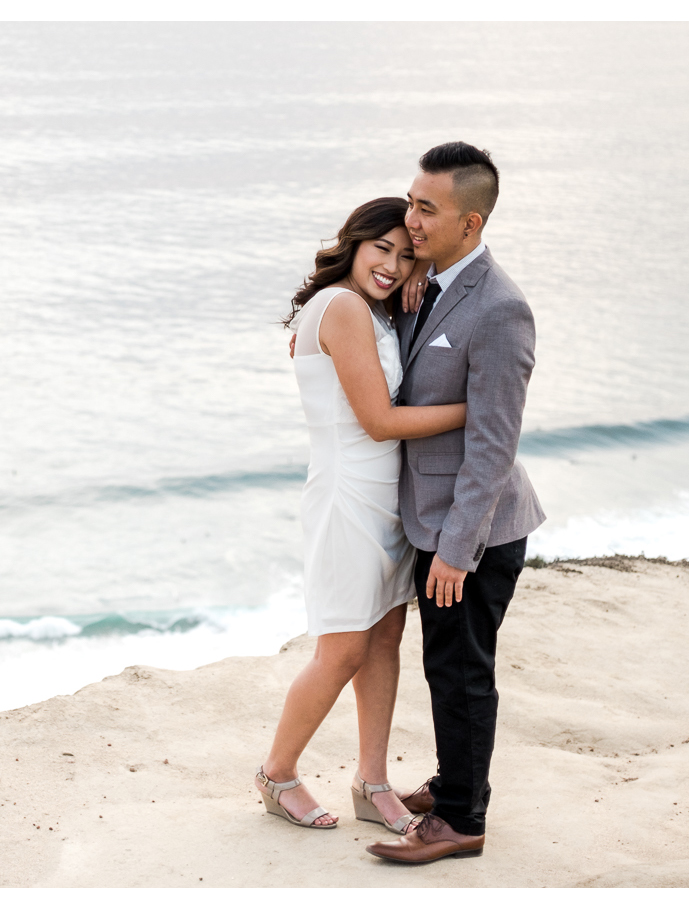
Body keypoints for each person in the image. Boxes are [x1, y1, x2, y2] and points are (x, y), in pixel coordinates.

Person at [256, 198, 467, 834]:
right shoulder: (344, 308)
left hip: (385, 499)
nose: (393, 264)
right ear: (354, 242)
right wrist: (474, 408)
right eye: (382, 249)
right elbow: (378, 423)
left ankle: (371, 783)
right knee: (343, 648)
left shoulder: (369, 309)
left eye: (407, 256)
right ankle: (278, 773)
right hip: (350, 497)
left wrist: (417, 284)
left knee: (382, 641)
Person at [364, 142, 546, 864]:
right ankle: (451, 782)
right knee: (447, 664)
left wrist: (456, 549)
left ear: (469, 224)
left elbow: (493, 442)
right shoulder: (429, 286)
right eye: (410, 201)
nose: (410, 218)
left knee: (461, 671)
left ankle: (462, 819)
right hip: (434, 521)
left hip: (475, 530)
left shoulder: (500, 310)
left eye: (425, 209)